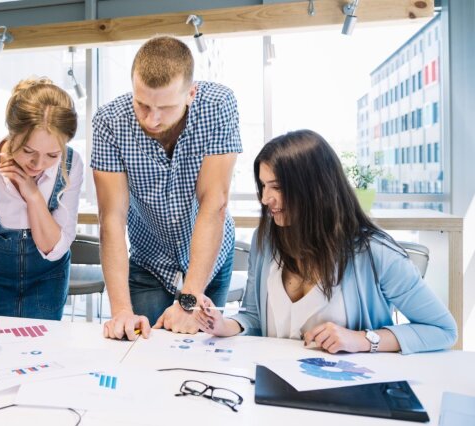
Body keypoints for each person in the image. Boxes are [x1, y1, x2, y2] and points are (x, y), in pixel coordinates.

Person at [196, 129, 457, 354]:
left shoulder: (376, 253)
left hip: (347, 395)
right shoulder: (265, 239)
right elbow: (253, 316)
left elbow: (442, 330)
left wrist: (363, 340)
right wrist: (224, 325)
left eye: (276, 187)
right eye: (263, 186)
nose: (265, 199)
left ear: (314, 189)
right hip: (272, 387)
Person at [91, 36, 242, 340]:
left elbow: (214, 202)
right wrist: (121, 310)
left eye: (166, 107)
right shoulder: (109, 122)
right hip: (149, 261)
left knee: (204, 353)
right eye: (142, 104)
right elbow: (111, 219)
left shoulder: (218, 106)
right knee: (138, 348)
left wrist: (189, 301)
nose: (152, 119)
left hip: (209, 259)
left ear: (191, 93)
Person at [0, 77, 83, 356]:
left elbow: (54, 248)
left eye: (52, 155)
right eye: (28, 151)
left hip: (47, 280)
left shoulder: (72, 164)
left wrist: (33, 194)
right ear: (11, 133)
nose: (38, 165)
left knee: (42, 357)